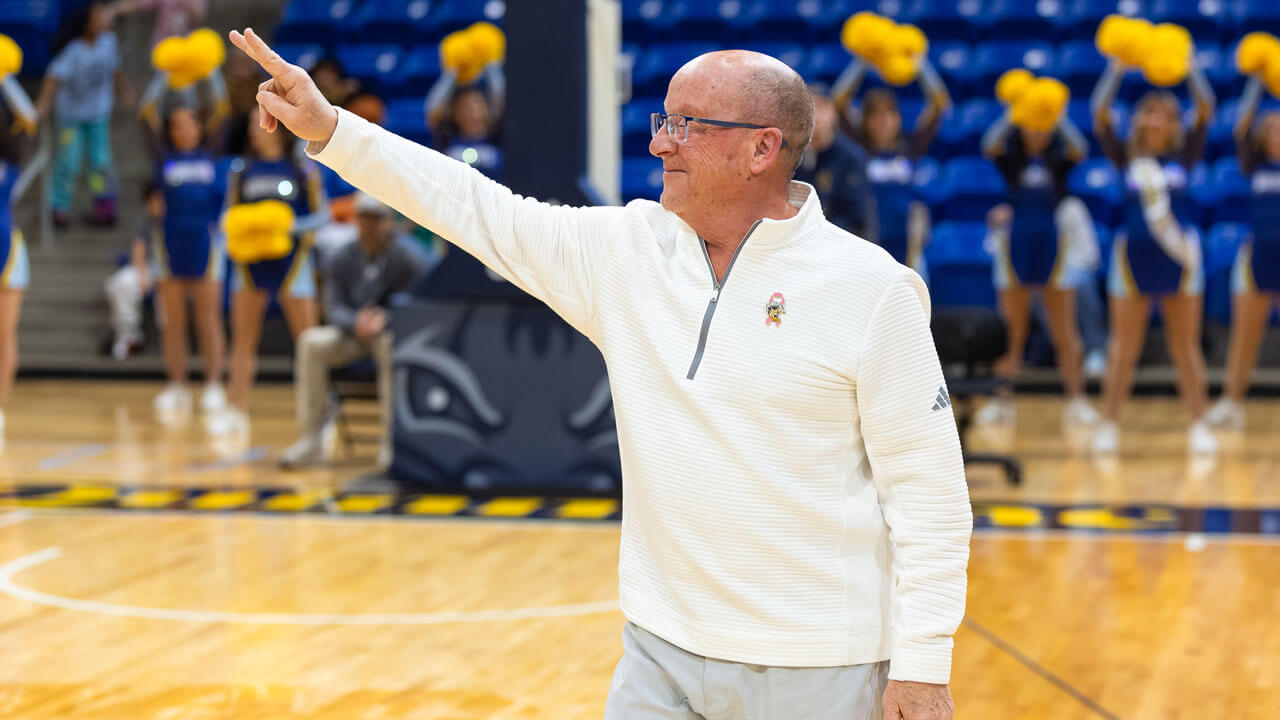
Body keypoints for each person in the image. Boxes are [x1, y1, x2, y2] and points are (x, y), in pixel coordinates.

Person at [234, 28, 970, 720]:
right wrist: (334, 131)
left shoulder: (872, 289)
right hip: (658, 652)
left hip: (817, 666)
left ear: (761, 149)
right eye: (662, 120)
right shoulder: (627, 250)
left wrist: (924, 662)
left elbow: (930, 491)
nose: (658, 144)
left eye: (686, 125)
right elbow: (474, 207)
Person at [1090, 59, 1216, 455]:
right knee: (1123, 349)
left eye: (1164, 115)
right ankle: (1110, 423)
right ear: (1140, 120)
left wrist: (1190, 68)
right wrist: (1115, 68)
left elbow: (1207, 106)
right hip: (1131, 263)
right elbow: (1099, 112)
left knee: (1185, 348)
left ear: (1174, 123)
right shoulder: (1126, 158)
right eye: (1149, 112)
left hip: (1179, 262)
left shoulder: (1185, 156)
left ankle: (1198, 424)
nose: (1156, 121)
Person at [278, 192, 431, 470]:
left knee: (388, 346)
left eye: (376, 219)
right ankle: (311, 440)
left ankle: (392, 443)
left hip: (394, 335)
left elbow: (422, 305)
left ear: (389, 222)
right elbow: (333, 306)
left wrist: (388, 319)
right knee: (311, 342)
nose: (369, 226)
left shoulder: (409, 257)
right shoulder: (343, 256)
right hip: (354, 334)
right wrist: (355, 322)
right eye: (364, 218)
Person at [206, 107, 329, 437]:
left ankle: (320, 417)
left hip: (294, 264)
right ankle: (236, 410)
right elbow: (226, 217)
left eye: (257, 124)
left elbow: (322, 216)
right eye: (249, 125)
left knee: (309, 345)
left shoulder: (302, 168)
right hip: (249, 265)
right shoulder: (241, 171)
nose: (253, 131)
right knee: (243, 341)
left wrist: (288, 226)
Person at [977, 109, 1101, 428]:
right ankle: (1001, 401)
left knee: (1065, 332)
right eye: (1031, 126)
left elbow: (1081, 147)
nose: (1036, 132)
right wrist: (1015, 111)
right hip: (1016, 249)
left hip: (1053, 250)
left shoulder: (1058, 164)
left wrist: (1055, 114)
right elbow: (989, 143)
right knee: (1012, 332)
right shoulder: (1012, 163)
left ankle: (1076, 400)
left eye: (1041, 127)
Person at [140, 104, 228, 417]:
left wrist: (199, 69)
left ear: (200, 127)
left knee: (208, 318)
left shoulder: (213, 158)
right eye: (177, 125)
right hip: (170, 244)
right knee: (173, 322)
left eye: (189, 124)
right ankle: (176, 385)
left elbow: (221, 103)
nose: (184, 131)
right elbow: (147, 110)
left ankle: (214, 384)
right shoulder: (162, 161)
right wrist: (167, 72)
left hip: (206, 244)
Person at [831, 56, 951, 280]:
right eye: (875, 114)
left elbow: (938, 103)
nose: (883, 120)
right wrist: (863, 61)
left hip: (908, 246)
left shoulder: (911, 146)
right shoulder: (858, 148)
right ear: (865, 120)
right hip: (868, 241)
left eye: (889, 113)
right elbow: (839, 100)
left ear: (897, 117)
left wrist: (920, 63)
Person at [34, 0, 132, 228]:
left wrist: (125, 89)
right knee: (68, 161)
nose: (102, 22)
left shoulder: (109, 42)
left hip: (98, 114)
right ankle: (58, 207)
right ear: (85, 23)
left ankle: (104, 206)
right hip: (71, 117)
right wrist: (43, 104)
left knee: (101, 162)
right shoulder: (73, 50)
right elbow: (52, 76)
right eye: (96, 18)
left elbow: (115, 70)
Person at [0, 73, 36, 440]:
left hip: (7, 251)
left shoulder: (8, 162)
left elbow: (27, 117)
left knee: (4, 336)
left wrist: (4, 74)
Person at [795, 87, 873, 237]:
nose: (814, 114)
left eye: (821, 107)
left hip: (837, 241)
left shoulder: (851, 158)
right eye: (808, 107)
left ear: (833, 114)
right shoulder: (791, 153)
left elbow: (856, 218)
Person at [425, 59, 504, 178]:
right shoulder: (445, 139)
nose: (472, 113)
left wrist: (489, 64)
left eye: (477, 105)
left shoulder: (498, 136)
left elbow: (501, 98)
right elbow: (432, 109)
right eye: (465, 107)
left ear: (486, 109)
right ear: (455, 113)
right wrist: (452, 72)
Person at [106, 0, 206, 48]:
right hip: (163, 45)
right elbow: (138, 4)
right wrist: (114, 9)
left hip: (188, 47)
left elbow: (199, 17)